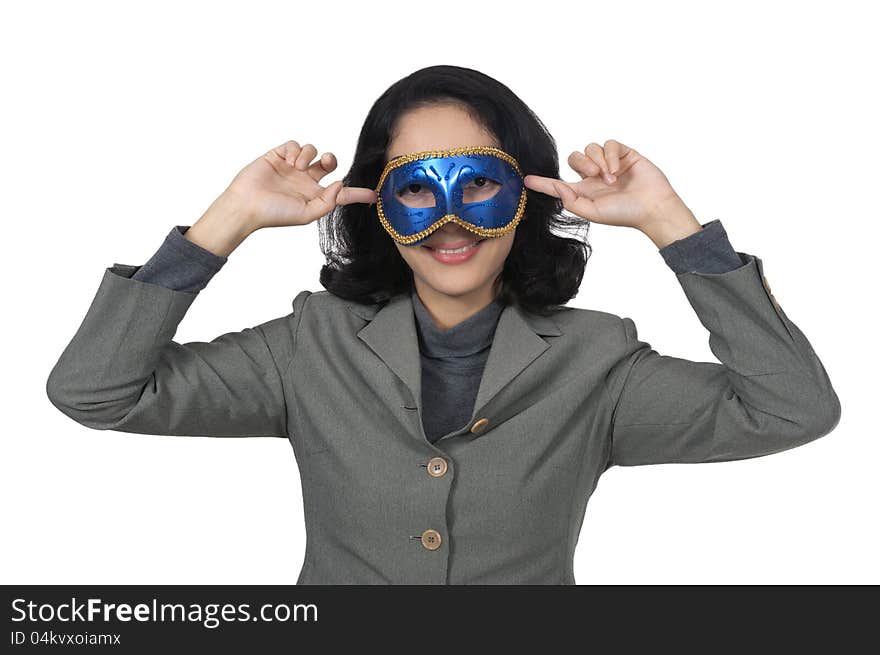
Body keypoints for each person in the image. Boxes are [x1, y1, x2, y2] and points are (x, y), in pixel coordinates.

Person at [46, 65, 841, 584]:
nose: (450, 221)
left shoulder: (598, 362)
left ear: (527, 193)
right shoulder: (308, 346)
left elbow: (791, 408)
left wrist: (673, 223)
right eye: (418, 190)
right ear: (378, 205)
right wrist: (226, 221)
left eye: (481, 183)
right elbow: (96, 392)